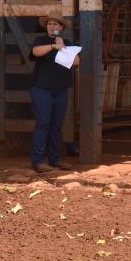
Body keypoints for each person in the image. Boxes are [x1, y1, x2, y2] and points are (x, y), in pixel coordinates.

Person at [30, 13, 80, 173]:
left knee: (57, 126)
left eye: (56, 24)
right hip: (41, 89)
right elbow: (35, 52)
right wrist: (53, 46)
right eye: (50, 24)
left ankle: (55, 159)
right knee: (43, 124)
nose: (52, 26)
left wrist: (63, 47)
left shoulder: (68, 43)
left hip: (60, 90)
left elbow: (77, 61)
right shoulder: (41, 41)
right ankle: (38, 161)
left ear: (62, 28)